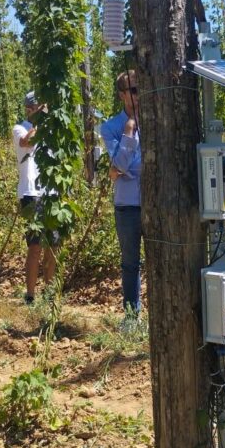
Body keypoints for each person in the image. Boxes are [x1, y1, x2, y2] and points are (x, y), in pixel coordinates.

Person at [100, 70, 143, 316]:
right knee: (130, 264)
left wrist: (120, 169)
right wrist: (129, 131)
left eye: (141, 89)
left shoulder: (157, 119)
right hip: (127, 205)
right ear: (122, 95)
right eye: (134, 90)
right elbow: (121, 165)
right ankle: (131, 315)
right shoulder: (112, 127)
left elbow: (120, 169)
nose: (139, 95)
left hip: (155, 203)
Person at [12, 92, 57, 304]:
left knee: (53, 245)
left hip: (52, 193)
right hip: (31, 193)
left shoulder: (51, 132)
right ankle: (30, 295)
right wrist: (38, 121)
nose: (43, 113)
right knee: (35, 246)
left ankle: (49, 294)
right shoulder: (20, 128)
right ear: (29, 109)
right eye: (38, 109)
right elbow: (26, 142)